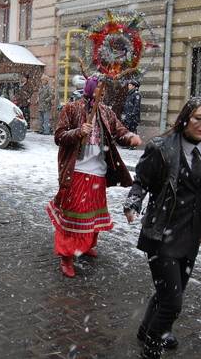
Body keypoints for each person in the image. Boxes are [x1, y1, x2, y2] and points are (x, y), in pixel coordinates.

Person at [123, 97, 201, 359]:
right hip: (161, 231)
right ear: (186, 117)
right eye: (199, 118)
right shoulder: (162, 147)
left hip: (191, 234)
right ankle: (152, 347)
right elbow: (142, 179)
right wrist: (132, 203)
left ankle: (147, 330)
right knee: (172, 302)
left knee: (168, 292)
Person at [47, 76, 142, 277]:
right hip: (77, 172)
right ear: (90, 88)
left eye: (104, 88)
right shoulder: (71, 108)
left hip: (98, 173)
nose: (103, 91)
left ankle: (87, 244)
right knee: (75, 215)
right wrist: (77, 132)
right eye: (99, 86)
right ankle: (67, 257)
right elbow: (59, 136)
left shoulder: (106, 112)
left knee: (93, 213)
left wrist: (130, 138)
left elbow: (119, 131)